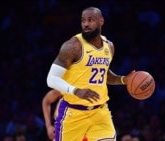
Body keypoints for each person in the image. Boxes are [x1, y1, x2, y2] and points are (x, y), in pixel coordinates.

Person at [46, 7, 134, 141]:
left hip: (100, 112)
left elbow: (104, 74)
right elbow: (51, 79)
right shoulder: (73, 46)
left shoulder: (109, 46)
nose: (86, 24)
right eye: (83, 20)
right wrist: (76, 91)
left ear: (101, 21)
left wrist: (123, 80)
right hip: (73, 114)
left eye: (90, 20)